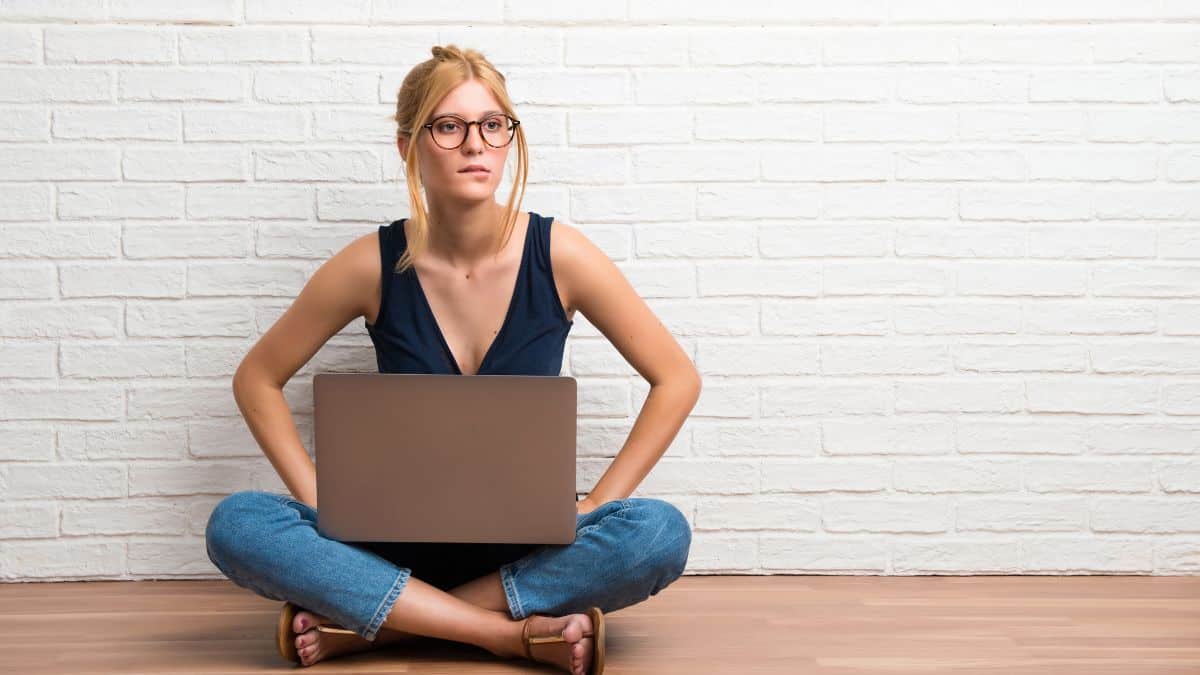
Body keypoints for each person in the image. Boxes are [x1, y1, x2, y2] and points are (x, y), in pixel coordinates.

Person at [204, 44, 701, 674]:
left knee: (658, 532)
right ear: (408, 146)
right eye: (449, 126)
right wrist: (320, 497)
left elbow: (676, 378)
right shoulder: (370, 264)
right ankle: (502, 635)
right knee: (237, 522)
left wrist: (595, 504)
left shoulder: (562, 255)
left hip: (526, 550)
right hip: (386, 545)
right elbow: (257, 377)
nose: (476, 144)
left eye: (494, 125)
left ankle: (383, 628)